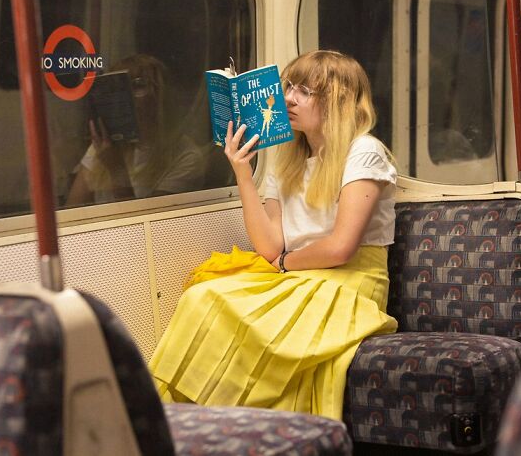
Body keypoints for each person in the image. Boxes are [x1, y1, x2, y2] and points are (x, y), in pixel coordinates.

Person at [148, 50, 398, 420]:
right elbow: (269, 246)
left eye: (306, 91)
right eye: (289, 87)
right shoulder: (289, 158)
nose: (290, 98)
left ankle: (249, 425)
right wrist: (243, 172)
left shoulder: (364, 151)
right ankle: (188, 425)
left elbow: (341, 248)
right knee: (202, 297)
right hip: (300, 278)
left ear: (338, 100)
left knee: (241, 316)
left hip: (350, 283)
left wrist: (284, 265)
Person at [66, 54, 204, 205]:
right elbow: (74, 207)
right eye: (117, 89)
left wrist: (117, 170)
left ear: (159, 95)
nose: (126, 96)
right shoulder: (106, 144)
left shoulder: (186, 156)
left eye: (138, 85)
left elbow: (150, 222)